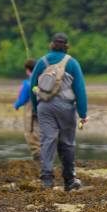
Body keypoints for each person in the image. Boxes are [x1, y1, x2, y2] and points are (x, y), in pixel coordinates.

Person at [29, 33, 88, 191]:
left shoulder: (42, 62)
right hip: (65, 107)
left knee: (48, 141)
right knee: (67, 143)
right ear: (66, 46)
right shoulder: (72, 63)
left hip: (44, 107)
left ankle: (47, 180)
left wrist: (36, 109)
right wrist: (83, 114)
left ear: (51, 45)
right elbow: (80, 90)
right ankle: (69, 180)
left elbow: (32, 86)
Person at [14, 58, 43, 162]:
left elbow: (22, 99)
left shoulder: (27, 83)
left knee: (30, 134)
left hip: (31, 112)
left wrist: (16, 105)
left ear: (27, 70)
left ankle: (38, 158)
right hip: (43, 111)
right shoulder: (43, 80)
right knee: (40, 133)